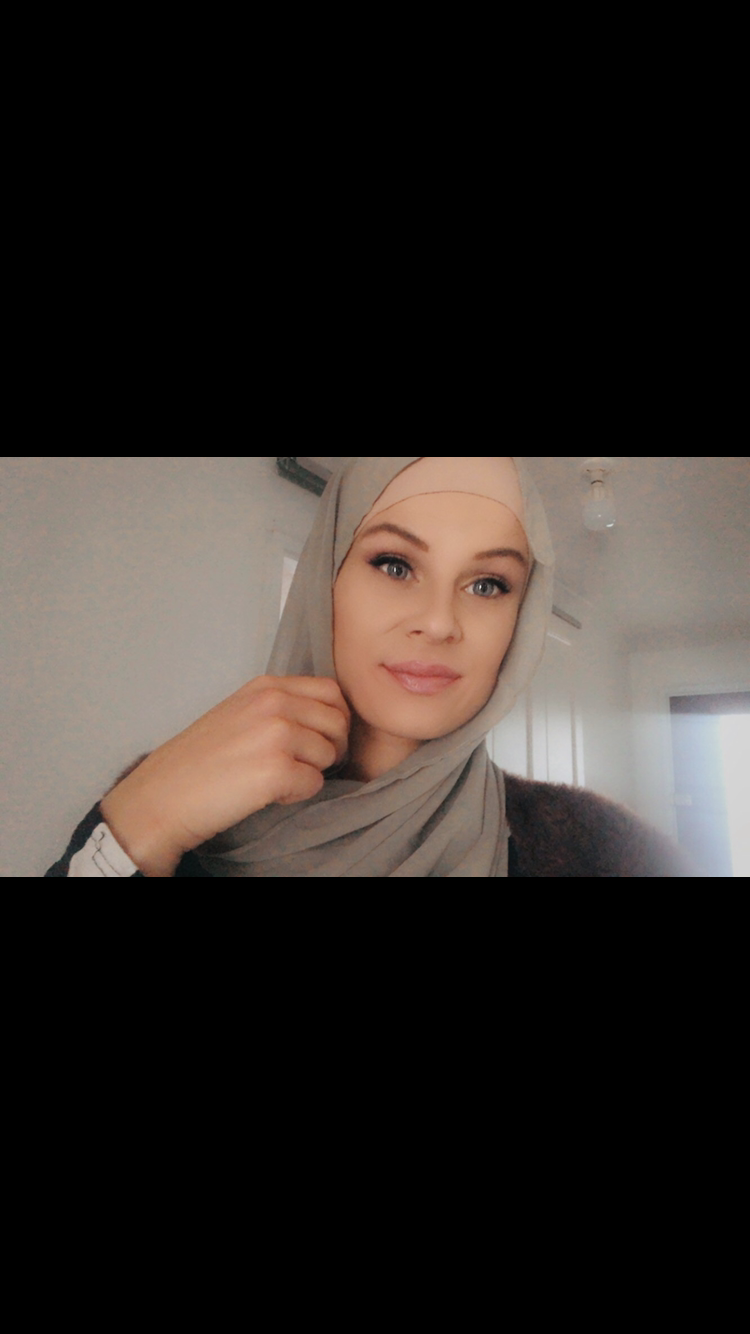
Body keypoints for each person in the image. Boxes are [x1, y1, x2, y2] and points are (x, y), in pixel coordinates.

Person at [45, 457, 693, 878]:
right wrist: (136, 827)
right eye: (395, 564)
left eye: (488, 584)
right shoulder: (169, 799)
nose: (438, 622)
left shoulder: (608, 853)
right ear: (326, 579)